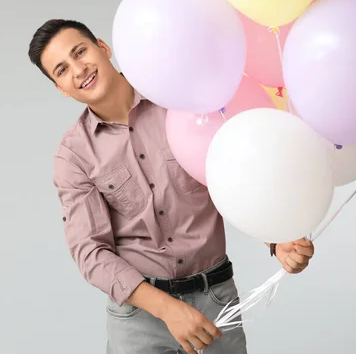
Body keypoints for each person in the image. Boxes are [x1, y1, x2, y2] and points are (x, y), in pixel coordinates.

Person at [27, 19, 315, 354]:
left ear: (102, 48)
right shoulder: (73, 156)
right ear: (61, 88)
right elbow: (91, 251)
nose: (78, 70)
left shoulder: (178, 101)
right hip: (139, 319)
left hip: (216, 301)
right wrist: (168, 309)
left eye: (80, 52)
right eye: (62, 70)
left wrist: (277, 238)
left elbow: (233, 173)